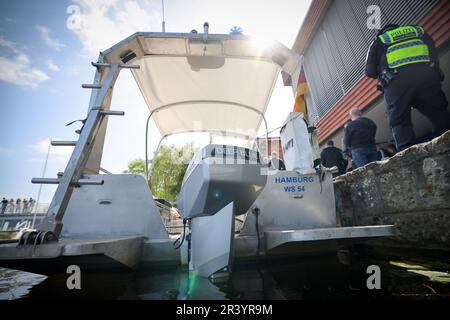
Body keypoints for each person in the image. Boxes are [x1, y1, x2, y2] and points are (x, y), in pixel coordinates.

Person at [365, 24, 450, 151]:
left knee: (399, 120)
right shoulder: (418, 31)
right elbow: (433, 52)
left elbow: (369, 71)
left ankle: (408, 155)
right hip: (426, 75)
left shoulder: (380, 40)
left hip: (396, 82)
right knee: (439, 112)